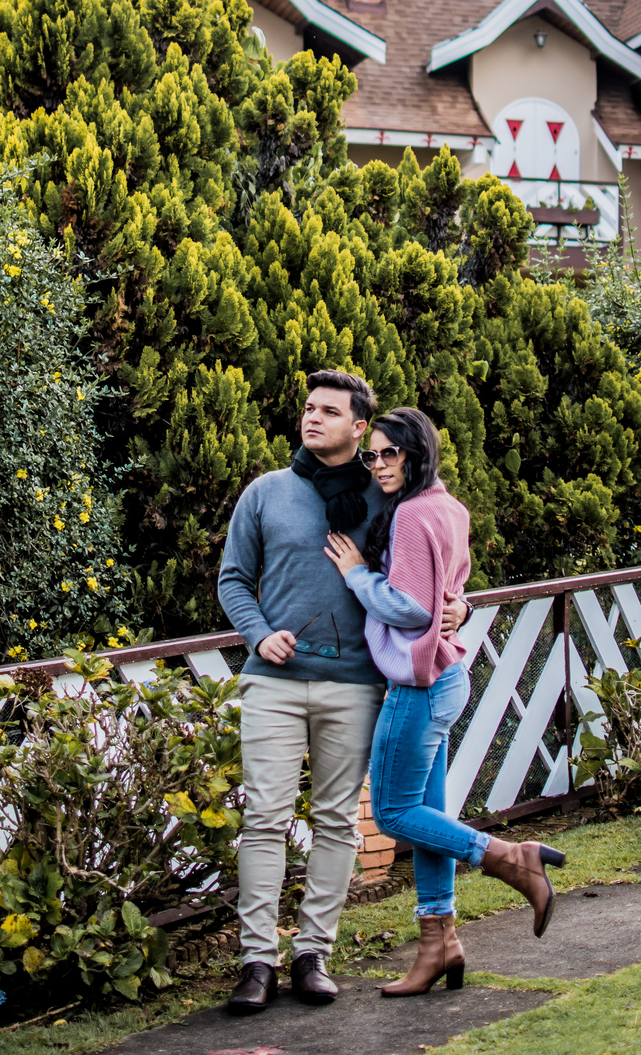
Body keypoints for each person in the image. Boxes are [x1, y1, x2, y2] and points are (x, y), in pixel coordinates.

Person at [217, 371, 468, 1015]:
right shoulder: (267, 493)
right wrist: (256, 633)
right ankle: (256, 961)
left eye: (329, 411)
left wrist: (456, 604)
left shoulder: (387, 494)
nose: (313, 418)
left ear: (360, 427)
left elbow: (430, 565)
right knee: (265, 820)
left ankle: (312, 953)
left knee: (336, 823)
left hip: (356, 685)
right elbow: (234, 580)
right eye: (308, 408)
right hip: (273, 682)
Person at [324, 406, 565, 998]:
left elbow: (409, 606)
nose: (379, 464)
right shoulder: (448, 506)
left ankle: (510, 856)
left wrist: (356, 574)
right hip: (446, 676)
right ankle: (440, 944)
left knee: (392, 814)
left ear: (415, 453)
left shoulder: (409, 514)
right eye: (372, 454)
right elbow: (447, 590)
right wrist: (457, 608)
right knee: (427, 819)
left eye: (390, 453)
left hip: (418, 683)